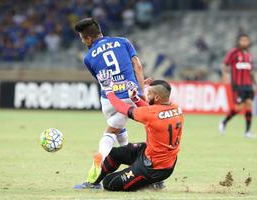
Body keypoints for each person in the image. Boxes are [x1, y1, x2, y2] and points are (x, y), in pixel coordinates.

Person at [73, 18, 145, 188]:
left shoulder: (88, 57)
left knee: (116, 130)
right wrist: (141, 92)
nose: (84, 43)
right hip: (129, 95)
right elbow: (138, 66)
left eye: (83, 39)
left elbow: (100, 79)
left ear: (89, 38)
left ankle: (102, 173)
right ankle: (100, 175)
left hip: (108, 99)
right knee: (113, 132)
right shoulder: (123, 42)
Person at [90, 70, 184, 191]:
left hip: (153, 168)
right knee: (114, 154)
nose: (145, 94)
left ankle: (152, 182)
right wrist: (135, 98)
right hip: (157, 156)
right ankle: (93, 183)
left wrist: (108, 90)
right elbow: (152, 111)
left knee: (109, 183)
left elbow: (121, 108)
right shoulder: (176, 108)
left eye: (148, 93)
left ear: (156, 97)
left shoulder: (152, 114)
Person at [219, 34, 256, 138]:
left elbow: (251, 71)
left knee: (249, 104)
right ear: (239, 41)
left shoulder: (249, 55)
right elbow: (224, 64)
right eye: (242, 40)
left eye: (246, 40)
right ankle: (224, 122)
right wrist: (225, 76)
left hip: (248, 85)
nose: (244, 42)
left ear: (248, 42)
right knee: (239, 108)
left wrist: (254, 84)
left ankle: (247, 132)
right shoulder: (234, 52)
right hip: (238, 85)